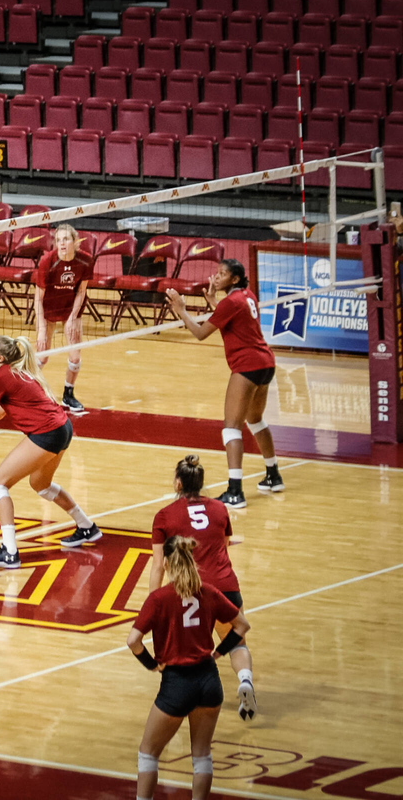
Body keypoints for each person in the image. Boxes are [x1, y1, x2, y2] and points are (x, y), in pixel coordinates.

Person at [0, 336, 103, 569]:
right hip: (63, 428)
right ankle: (86, 527)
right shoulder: (14, 372)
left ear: (0, 357)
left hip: (47, 433)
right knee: (41, 485)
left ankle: (9, 552)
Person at [127, 536, 251, 800]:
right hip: (209, 681)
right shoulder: (209, 592)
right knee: (202, 755)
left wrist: (152, 665)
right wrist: (219, 651)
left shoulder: (158, 598)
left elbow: (133, 641)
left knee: (148, 753)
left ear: (168, 565)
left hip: (177, 683)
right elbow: (242, 625)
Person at [166, 259, 282, 508]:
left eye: (223, 274)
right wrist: (212, 303)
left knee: (231, 428)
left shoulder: (231, 302)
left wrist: (181, 309)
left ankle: (235, 491)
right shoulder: (246, 296)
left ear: (235, 279)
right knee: (256, 420)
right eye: (217, 273)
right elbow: (232, 318)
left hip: (247, 365)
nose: (216, 278)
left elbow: (199, 333)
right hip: (266, 363)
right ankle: (273, 475)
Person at [150, 455, 257, 720]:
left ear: (177, 483)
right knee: (237, 643)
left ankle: (182, 696)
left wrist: (154, 602)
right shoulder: (220, 508)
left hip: (190, 590)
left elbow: (158, 566)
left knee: (185, 650)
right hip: (225, 585)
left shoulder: (164, 516)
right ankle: (245, 681)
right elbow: (225, 543)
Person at [33, 224, 92, 414]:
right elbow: (38, 297)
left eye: (66, 239)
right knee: (42, 355)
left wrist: (73, 317)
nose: (62, 244)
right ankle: (28, 393)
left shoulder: (85, 261)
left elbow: (81, 291)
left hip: (70, 309)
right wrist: (41, 329)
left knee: (75, 357)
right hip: (48, 308)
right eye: (58, 240)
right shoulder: (47, 261)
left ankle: (68, 394)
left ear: (75, 242)